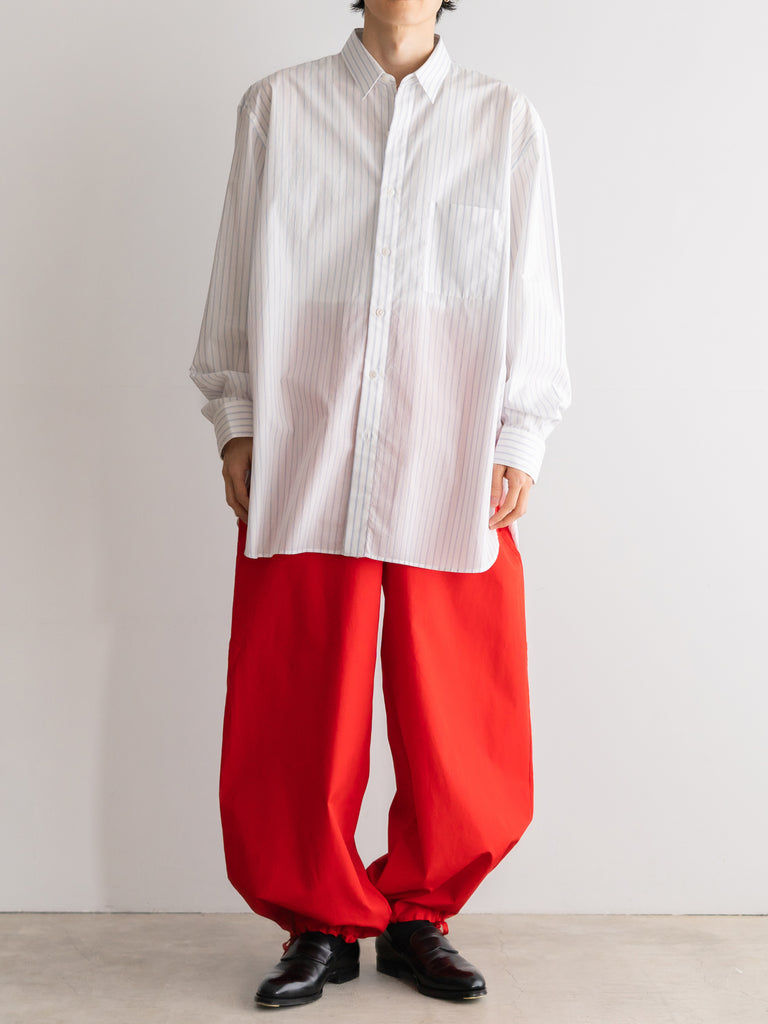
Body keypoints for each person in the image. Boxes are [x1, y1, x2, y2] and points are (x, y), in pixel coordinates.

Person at [189, 0, 571, 1009]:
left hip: (453, 452)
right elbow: (238, 267)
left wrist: (521, 434)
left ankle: (418, 915)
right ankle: (316, 920)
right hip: (309, 444)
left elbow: (532, 287)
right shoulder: (279, 108)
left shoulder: (502, 119)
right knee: (296, 695)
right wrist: (236, 418)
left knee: (463, 706)